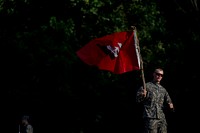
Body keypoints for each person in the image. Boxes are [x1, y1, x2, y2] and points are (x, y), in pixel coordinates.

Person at [136, 68, 174, 133]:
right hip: (150, 117)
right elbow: (137, 100)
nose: (159, 76)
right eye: (158, 74)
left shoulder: (163, 90)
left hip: (161, 118)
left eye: (161, 75)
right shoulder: (146, 86)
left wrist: (171, 106)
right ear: (153, 74)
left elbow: (169, 102)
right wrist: (142, 95)